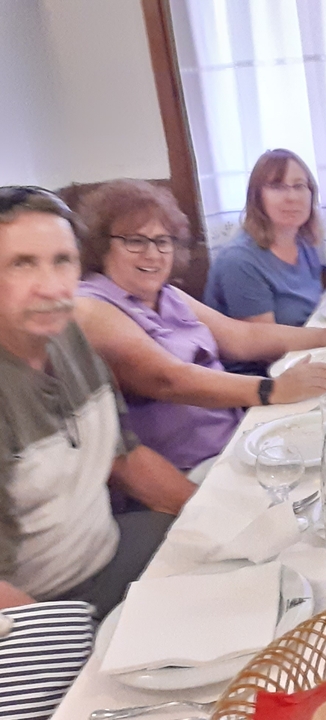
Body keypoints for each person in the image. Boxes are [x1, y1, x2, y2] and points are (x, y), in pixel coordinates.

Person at [73, 179, 326, 475]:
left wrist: (322, 336)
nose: (153, 254)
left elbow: (242, 336)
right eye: (135, 241)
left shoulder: (167, 294)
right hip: (188, 467)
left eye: (162, 240)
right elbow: (169, 379)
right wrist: (274, 389)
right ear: (102, 245)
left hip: (234, 440)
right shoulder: (91, 306)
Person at [0, 186, 194, 619]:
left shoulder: (68, 337)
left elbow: (124, 457)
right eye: (21, 264)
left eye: (62, 260)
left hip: (113, 553)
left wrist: (213, 516)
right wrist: (71, 650)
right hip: (41, 610)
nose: (50, 286)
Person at [205, 149, 324, 374]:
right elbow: (265, 349)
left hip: (303, 358)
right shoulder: (239, 261)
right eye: (277, 186)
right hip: (261, 380)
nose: (291, 197)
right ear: (256, 198)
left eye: (299, 186)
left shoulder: (303, 242)